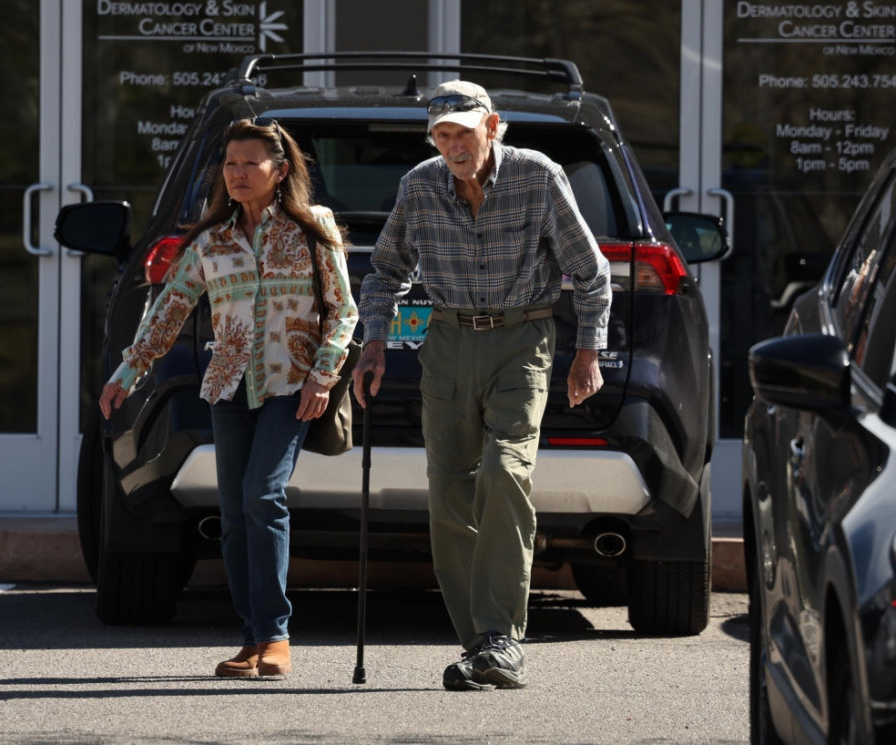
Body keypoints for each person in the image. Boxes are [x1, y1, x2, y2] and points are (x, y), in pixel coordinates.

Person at [355, 80, 611, 690]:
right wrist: (372, 344)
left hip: (522, 338)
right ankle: (479, 646)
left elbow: (591, 270)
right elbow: (386, 269)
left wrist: (587, 354)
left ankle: (501, 635)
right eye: (441, 136)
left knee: (504, 470)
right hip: (446, 343)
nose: (453, 147)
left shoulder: (538, 176)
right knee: (447, 491)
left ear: (492, 126)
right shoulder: (419, 184)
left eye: (463, 133)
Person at [99, 118, 357, 680]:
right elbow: (168, 309)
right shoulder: (211, 240)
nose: (237, 174)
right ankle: (251, 637)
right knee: (236, 513)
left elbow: (344, 310)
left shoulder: (313, 227)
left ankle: (276, 635)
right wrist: (128, 370)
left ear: (280, 170)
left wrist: (323, 375)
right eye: (230, 164)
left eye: (250, 163)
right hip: (228, 385)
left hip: (291, 383)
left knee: (263, 497)